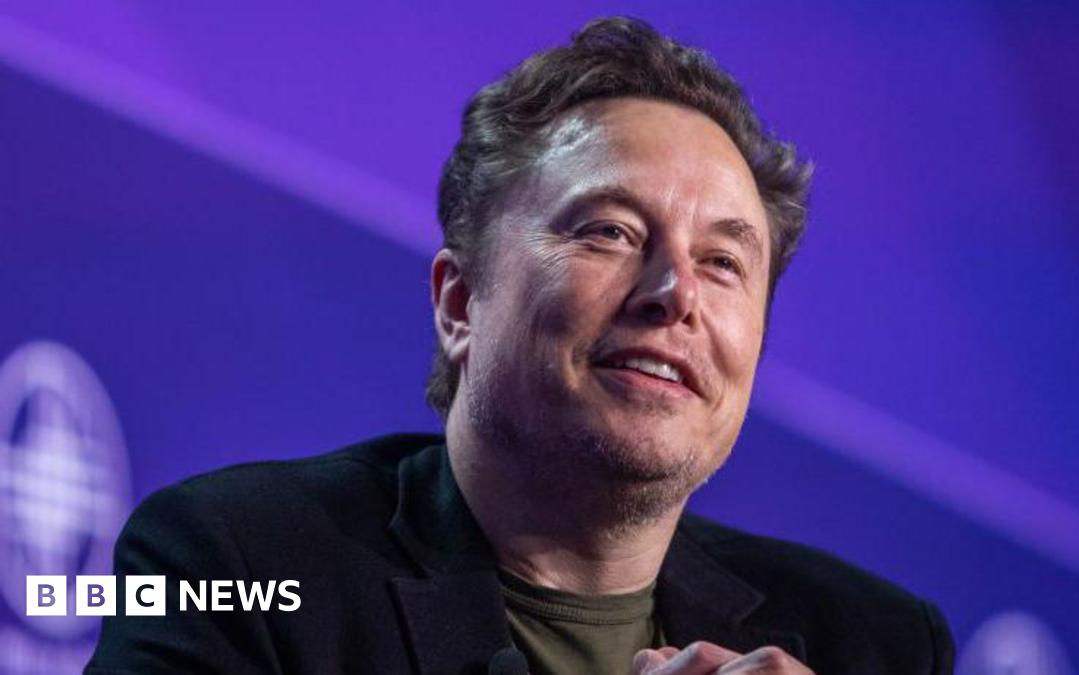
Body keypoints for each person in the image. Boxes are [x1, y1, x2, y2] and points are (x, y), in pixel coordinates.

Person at [87, 17, 954, 675]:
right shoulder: (227, 562)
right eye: (611, 232)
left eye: (723, 261)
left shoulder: (875, 644)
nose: (676, 295)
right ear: (460, 302)